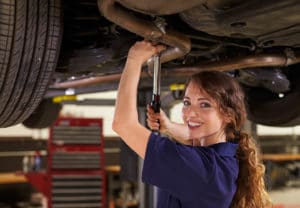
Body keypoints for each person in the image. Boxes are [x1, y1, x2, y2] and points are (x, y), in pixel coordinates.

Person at [112, 40, 272, 208]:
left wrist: (134, 60)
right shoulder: (224, 156)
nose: (190, 113)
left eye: (204, 105)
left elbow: (122, 124)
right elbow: (191, 136)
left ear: (227, 115)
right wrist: (168, 127)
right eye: (187, 103)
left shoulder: (198, 167)